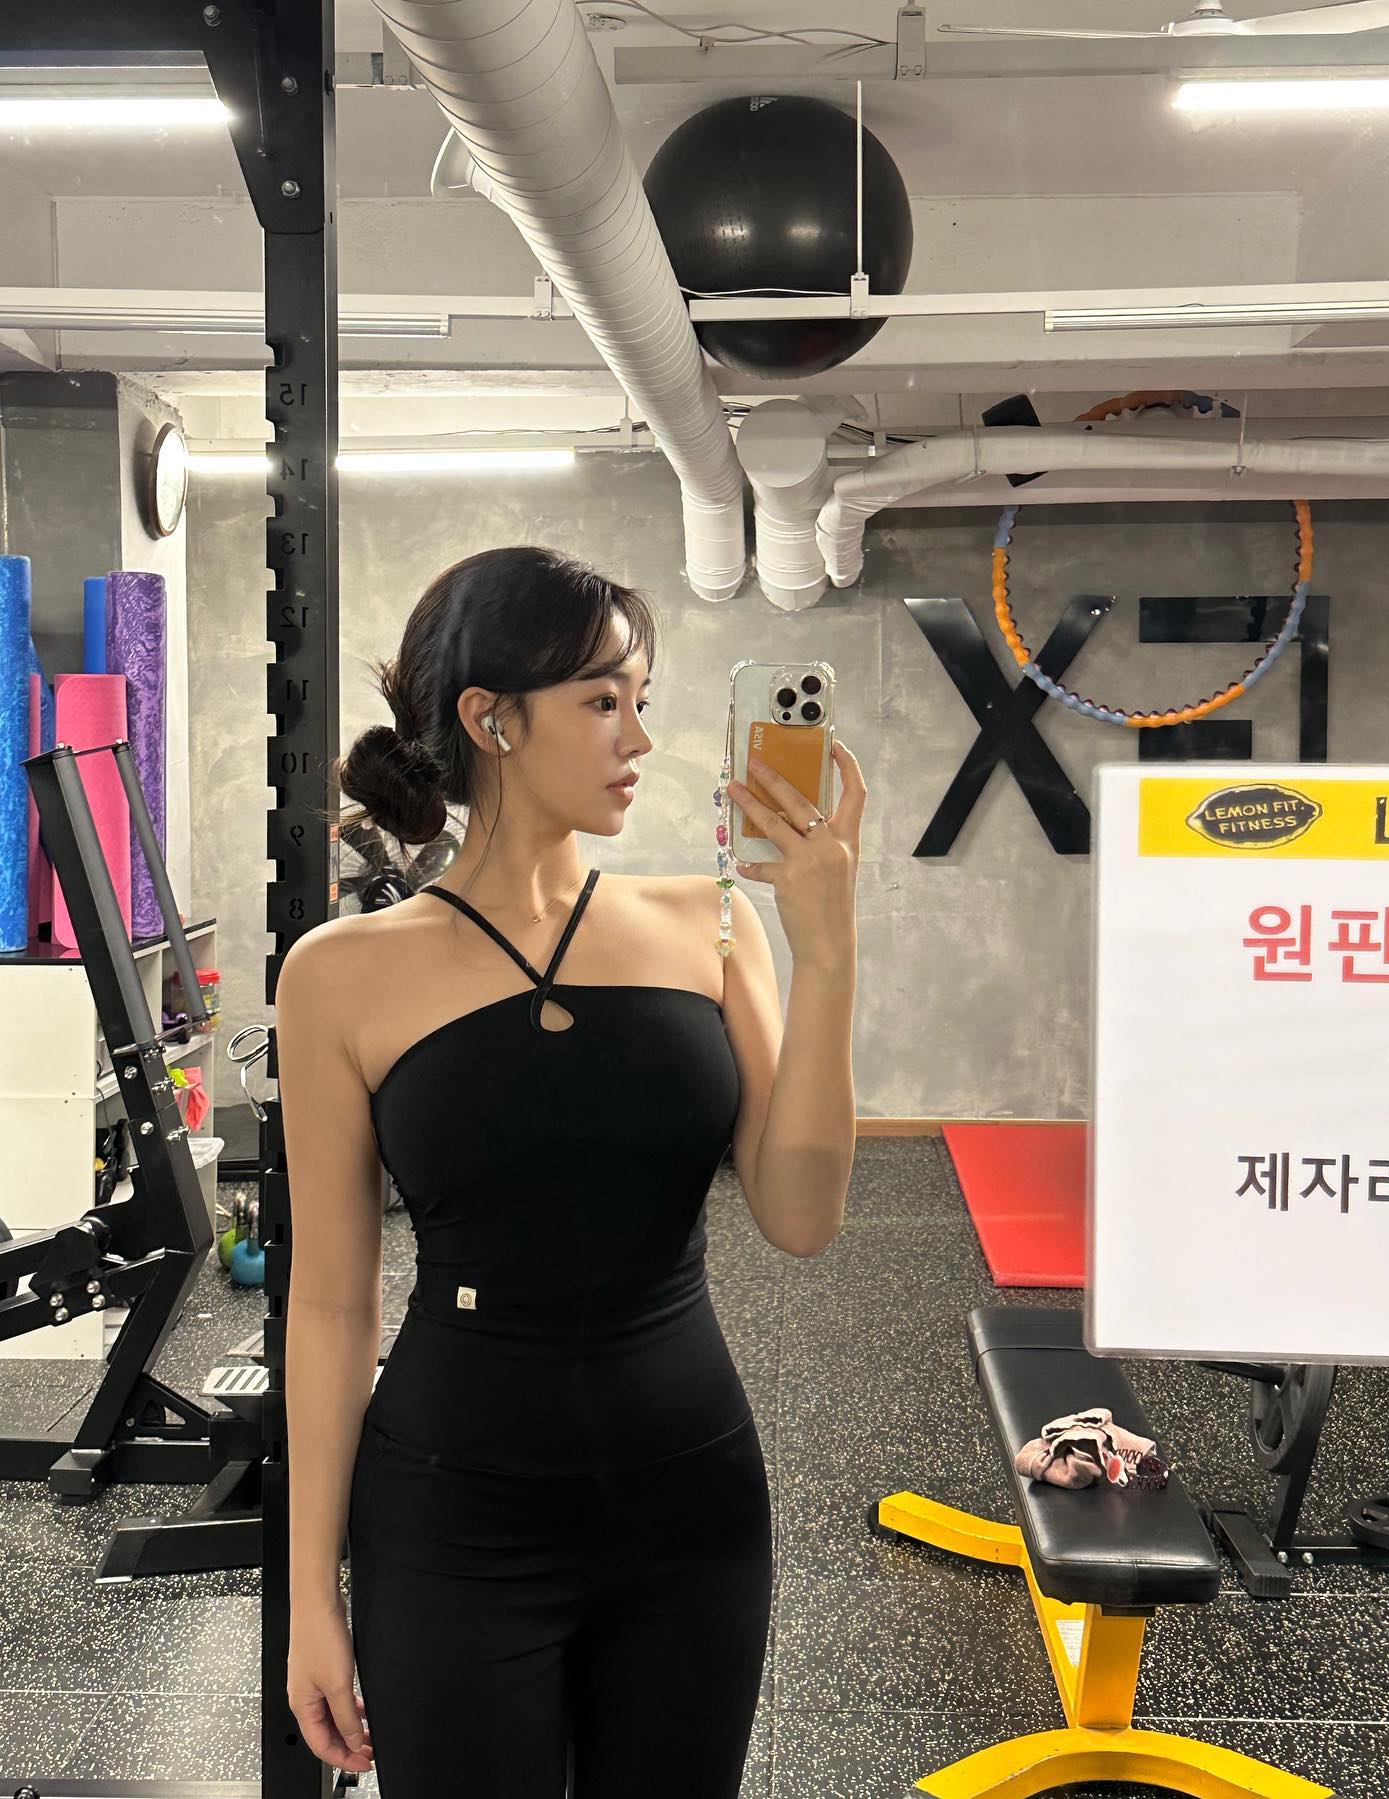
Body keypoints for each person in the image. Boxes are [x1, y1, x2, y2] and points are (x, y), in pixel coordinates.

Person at [273, 545, 862, 1795]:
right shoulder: (338, 974)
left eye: (642, 699)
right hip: (451, 1516)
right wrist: (310, 1593)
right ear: (492, 719)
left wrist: (827, 952)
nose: (639, 736)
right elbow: (328, 1302)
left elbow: (802, 1215)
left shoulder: (712, 924)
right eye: (603, 700)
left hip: (690, 1505)